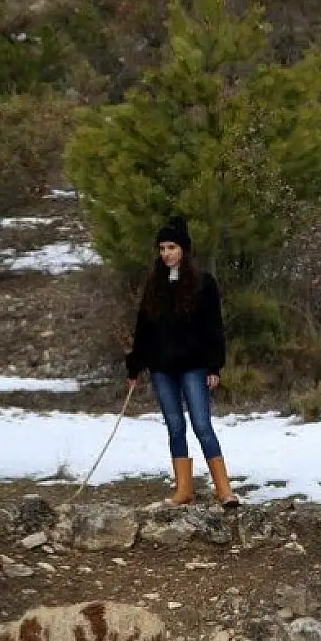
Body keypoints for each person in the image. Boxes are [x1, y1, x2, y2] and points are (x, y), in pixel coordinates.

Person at [125, 215, 240, 508]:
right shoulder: (154, 285)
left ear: (184, 250)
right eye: (162, 248)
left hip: (193, 366)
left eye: (171, 247)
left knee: (202, 425)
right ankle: (183, 490)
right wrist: (135, 365)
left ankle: (224, 490)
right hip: (162, 369)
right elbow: (144, 328)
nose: (166, 254)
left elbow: (214, 327)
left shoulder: (204, 284)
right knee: (175, 427)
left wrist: (214, 366)